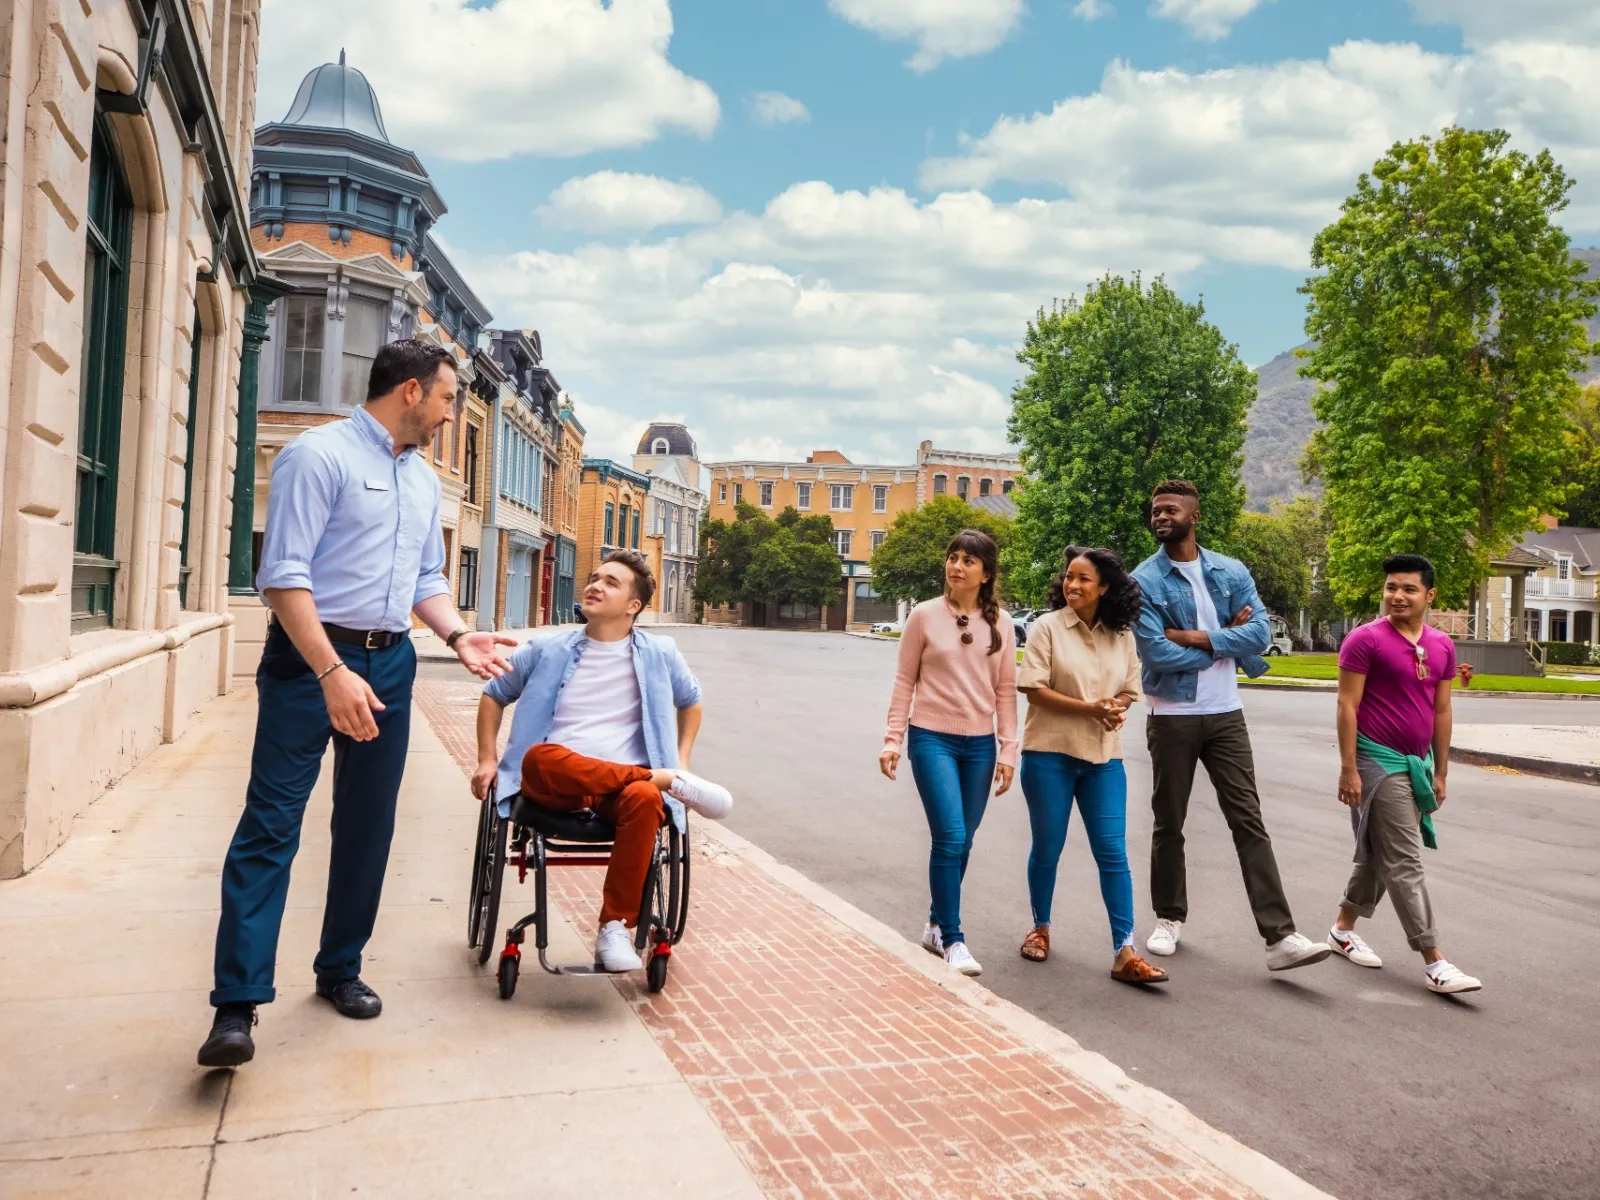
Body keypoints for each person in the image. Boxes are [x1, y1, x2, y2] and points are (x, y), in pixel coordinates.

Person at [199, 340, 517, 1069]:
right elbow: (283, 577)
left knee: (369, 824)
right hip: (310, 662)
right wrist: (332, 671)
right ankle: (236, 1006)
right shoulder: (320, 456)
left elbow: (426, 578)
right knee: (270, 827)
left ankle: (340, 967)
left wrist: (460, 636)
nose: (447, 418)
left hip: (392, 661)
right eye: (445, 402)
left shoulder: (424, 482)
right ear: (410, 391)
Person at [471, 550, 732, 972]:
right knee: (539, 757)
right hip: (555, 787)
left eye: (611, 582)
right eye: (595, 578)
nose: (595, 585)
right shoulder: (546, 649)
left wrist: (682, 758)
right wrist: (486, 759)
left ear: (633, 606)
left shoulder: (660, 654)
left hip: (620, 795)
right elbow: (493, 695)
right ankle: (664, 779)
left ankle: (615, 927)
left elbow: (692, 702)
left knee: (645, 799)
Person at [1131, 480, 1329, 972]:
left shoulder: (1230, 569)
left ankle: (1280, 937)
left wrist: (1194, 636)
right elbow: (1155, 650)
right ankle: (1168, 918)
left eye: (1170, 510)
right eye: (1155, 511)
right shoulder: (1142, 582)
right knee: (1168, 823)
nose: (1160, 517)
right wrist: (1225, 639)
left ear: (1193, 516)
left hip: (1225, 714)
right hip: (1171, 714)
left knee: (1248, 820)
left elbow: (1260, 632)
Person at [1327, 555, 1481, 995]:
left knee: (1380, 853)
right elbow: (1347, 706)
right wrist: (1349, 768)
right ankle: (1435, 960)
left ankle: (1342, 928)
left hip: (1417, 764)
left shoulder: (1442, 645)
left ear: (1429, 595)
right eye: (1391, 587)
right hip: (1378, 761)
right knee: (1405, 860)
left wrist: (1441, 770)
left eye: (1409, 589)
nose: (1397, 596)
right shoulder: (1364, 640)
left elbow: (1443, 709)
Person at [1017, 548, 1168, 985]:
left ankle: (1125, 951)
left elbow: (1127, 690)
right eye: (1069, 577)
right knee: (1048, 847)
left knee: (1113, 852)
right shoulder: (1046, 627)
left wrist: (1115, 708)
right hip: (1049, 754)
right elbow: (1034, 689)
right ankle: (1040, 927)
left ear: (1105, 587)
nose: (1073, 585)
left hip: (1104, 759)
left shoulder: (1122, 635)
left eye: (1084, 579)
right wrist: (1090, 708)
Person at [881, 529, 1017, 977]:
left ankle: (935, 923)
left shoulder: (1002, 624)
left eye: (968, 561)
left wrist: (1007, 750)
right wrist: (892, 739)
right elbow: (905, 681)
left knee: (965, 840)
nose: (956, 566)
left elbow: (1006, 690)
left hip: (979, 744)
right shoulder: (923, 616)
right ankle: (953, 939)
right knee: (951, 836)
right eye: (952, 557)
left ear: (985, 573)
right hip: (931, 737)